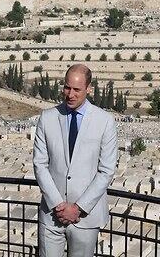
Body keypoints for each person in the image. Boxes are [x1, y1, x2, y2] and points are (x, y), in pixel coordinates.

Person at [33, 64, 118, 257]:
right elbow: (40, 164)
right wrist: (58, 205)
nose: (70, 94)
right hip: (52, 214)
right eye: (67, 87)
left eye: (76, 89)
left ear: (89, 89)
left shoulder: (104, 121)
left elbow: (106, 171)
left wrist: (78, 208)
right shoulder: (47, 118)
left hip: (86, 217)